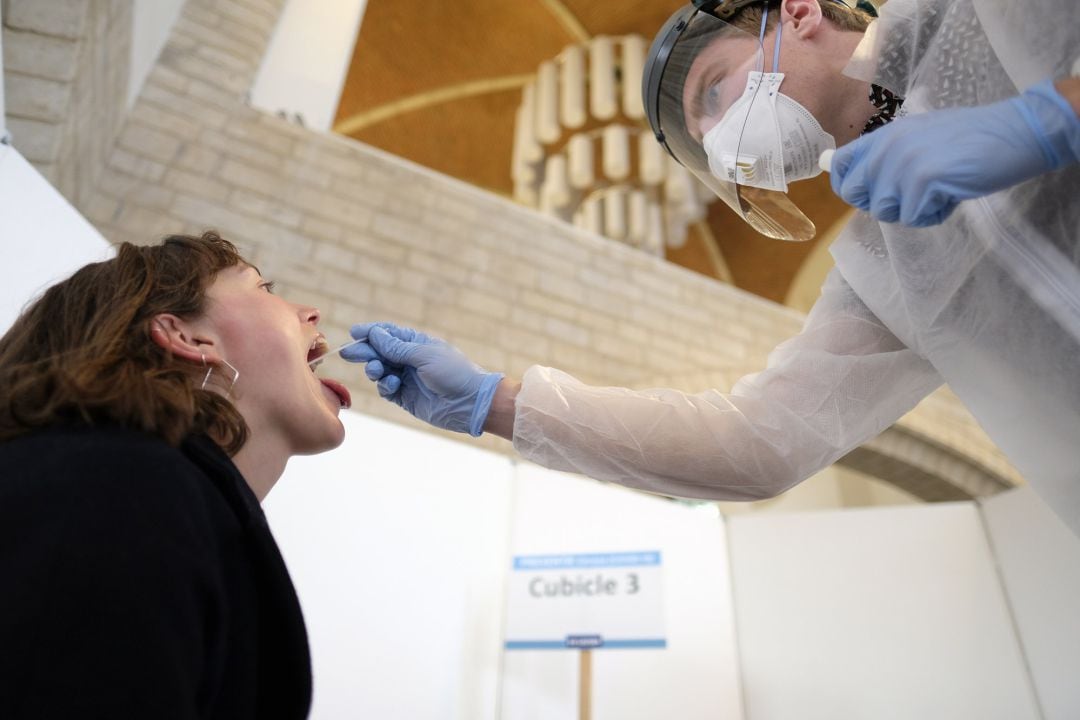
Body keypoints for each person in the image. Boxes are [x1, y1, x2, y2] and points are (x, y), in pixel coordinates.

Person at [340, 0, 1080, 537]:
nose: (727, 142)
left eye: (716, 91)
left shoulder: (980, 13)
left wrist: (1048, 120)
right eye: (707, 141)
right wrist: (493, 403)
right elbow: (758, 444)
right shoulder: (884, 266)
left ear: (798, 12)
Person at [0, 232, 351, 718]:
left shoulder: (152, 500)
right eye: (263, 288)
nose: (310, 311)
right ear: (187, 337)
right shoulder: (113, 491)